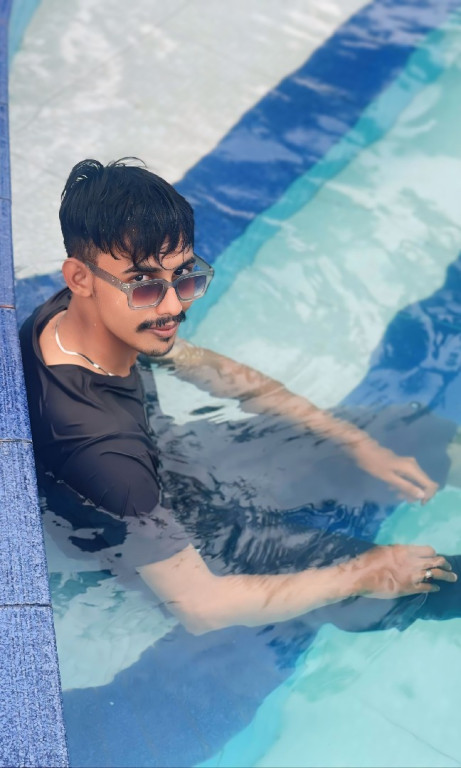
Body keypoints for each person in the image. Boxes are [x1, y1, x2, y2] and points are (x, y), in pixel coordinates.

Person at [20, 157, 461, 640]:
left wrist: (355, 442)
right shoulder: (104, 452)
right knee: (412, 585)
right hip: (192, 537)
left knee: (413, 434)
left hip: (180, 456)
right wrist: (364, 574)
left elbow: (207, 368)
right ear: (79, 277)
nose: (174, 306)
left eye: (184, 277)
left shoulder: (75, 317)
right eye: (144, 285)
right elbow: (201, 607)